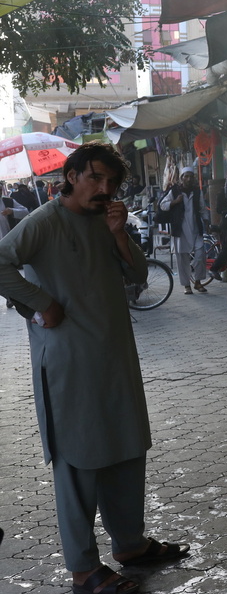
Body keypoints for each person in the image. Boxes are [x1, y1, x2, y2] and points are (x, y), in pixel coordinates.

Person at [0, 142, 189, 594]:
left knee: (127, 447)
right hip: (69, 360)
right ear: (71, 176)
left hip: (116, 356)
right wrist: (40, 303)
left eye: (111, 182)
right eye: (95, 178)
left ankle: (130, 545)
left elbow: (138, 276)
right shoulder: (44, 222)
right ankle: (84, 569)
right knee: (79, 460)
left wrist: (120, 234)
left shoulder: (107, 220)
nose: (104, 189)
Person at [159, 167, 207, 294]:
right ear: (182, 178)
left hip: (195, 230)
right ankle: (186, 285)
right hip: (180, 231)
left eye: (191, 176)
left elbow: (202, 209)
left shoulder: (197, 191)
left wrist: (207, 222)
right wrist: (175, 202)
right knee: (182, 259)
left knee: (200, 256)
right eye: (186, 176)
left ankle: (198, 282)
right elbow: (163, 205)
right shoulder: (174, 191)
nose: (189, 179)